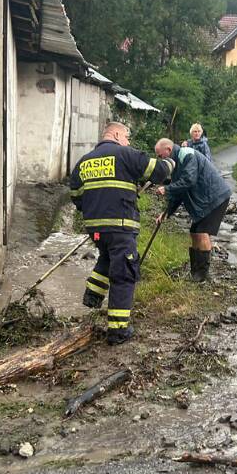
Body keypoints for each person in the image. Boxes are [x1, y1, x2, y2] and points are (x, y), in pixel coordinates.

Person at [69, 122, 174, 344]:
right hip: (120, 227)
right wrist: (172, 162)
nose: (128, 142)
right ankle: (118, 331)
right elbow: (159, 172)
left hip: (96, 230)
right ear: (116, 134)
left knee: (107, 257)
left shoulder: (83, 162)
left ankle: (92, 297)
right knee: (124, 272)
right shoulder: (126, 154)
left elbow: (77, 197)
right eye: (127, 137)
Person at [154, 137, 232, 281]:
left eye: (160, 155)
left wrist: (167, 189)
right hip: (205, 201)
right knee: (194, 232)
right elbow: (179, 192)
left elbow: (189, 181)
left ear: (168, 150)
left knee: (202, 233)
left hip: (215, 197)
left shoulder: (186, 154)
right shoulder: (176, 163)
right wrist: (166, 213)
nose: (159, 159)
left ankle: (202, 276)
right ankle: (195, 272)